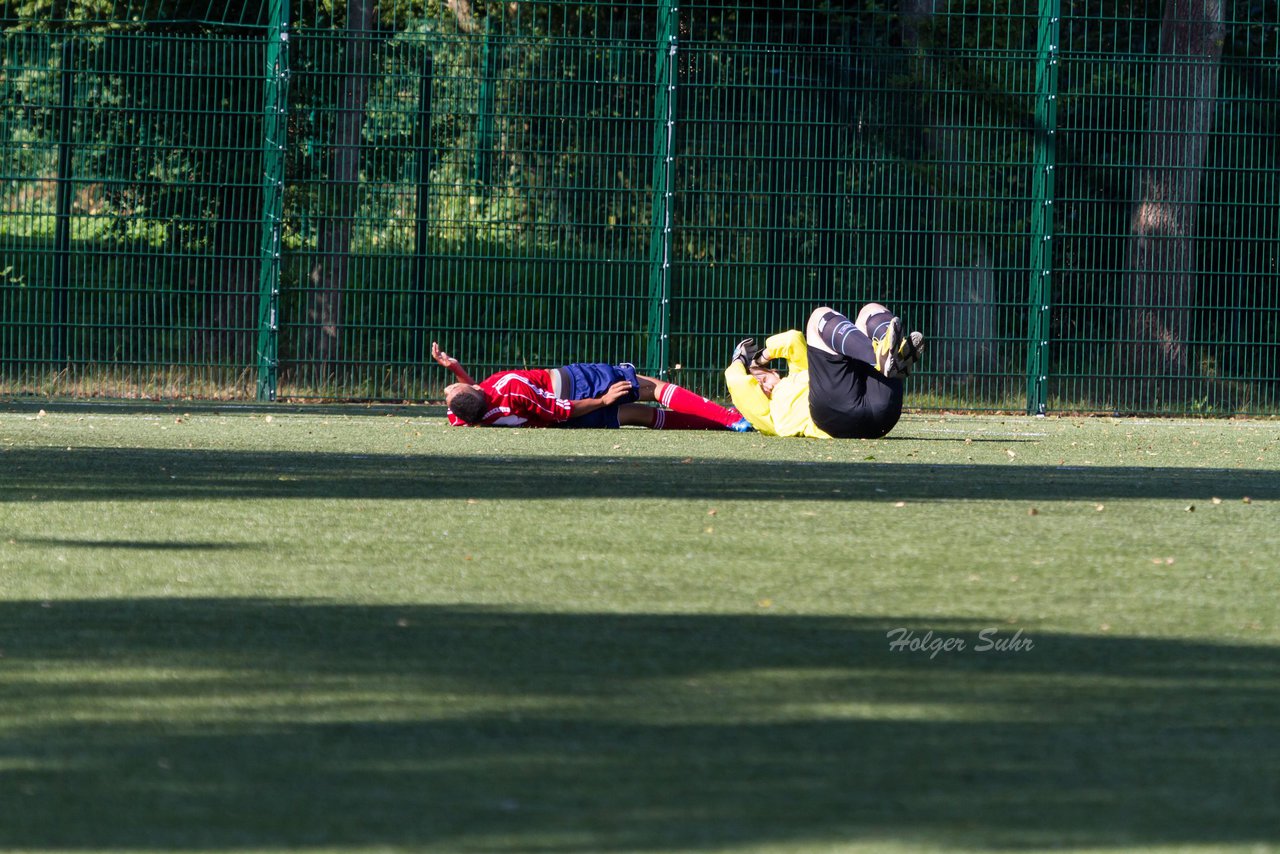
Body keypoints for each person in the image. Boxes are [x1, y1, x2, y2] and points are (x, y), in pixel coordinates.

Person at [432, 342, 753, 431]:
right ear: (473, 392)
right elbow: (558, 410)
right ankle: (730, 419)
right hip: (580, 387)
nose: (448, 390)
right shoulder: (513, 387)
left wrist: (457, 369)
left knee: (642, 416)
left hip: (579, 414)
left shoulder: (468, 416)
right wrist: (602, 399)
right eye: (454, 389)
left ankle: (724, 424)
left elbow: (471, 403)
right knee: (653, 389)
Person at [724, 303, 924, 439]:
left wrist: (759, 358)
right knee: (818, 316)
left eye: (761, 378)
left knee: (870, 310)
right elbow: (736, 383)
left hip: (883, 416)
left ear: (775, 372)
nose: (763, 386)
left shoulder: (799, 371)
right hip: (834, 419)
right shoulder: (769, 418)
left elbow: (792, 340)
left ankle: (888, 356)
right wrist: (739, 360)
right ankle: (878, 356)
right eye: (758, 387)